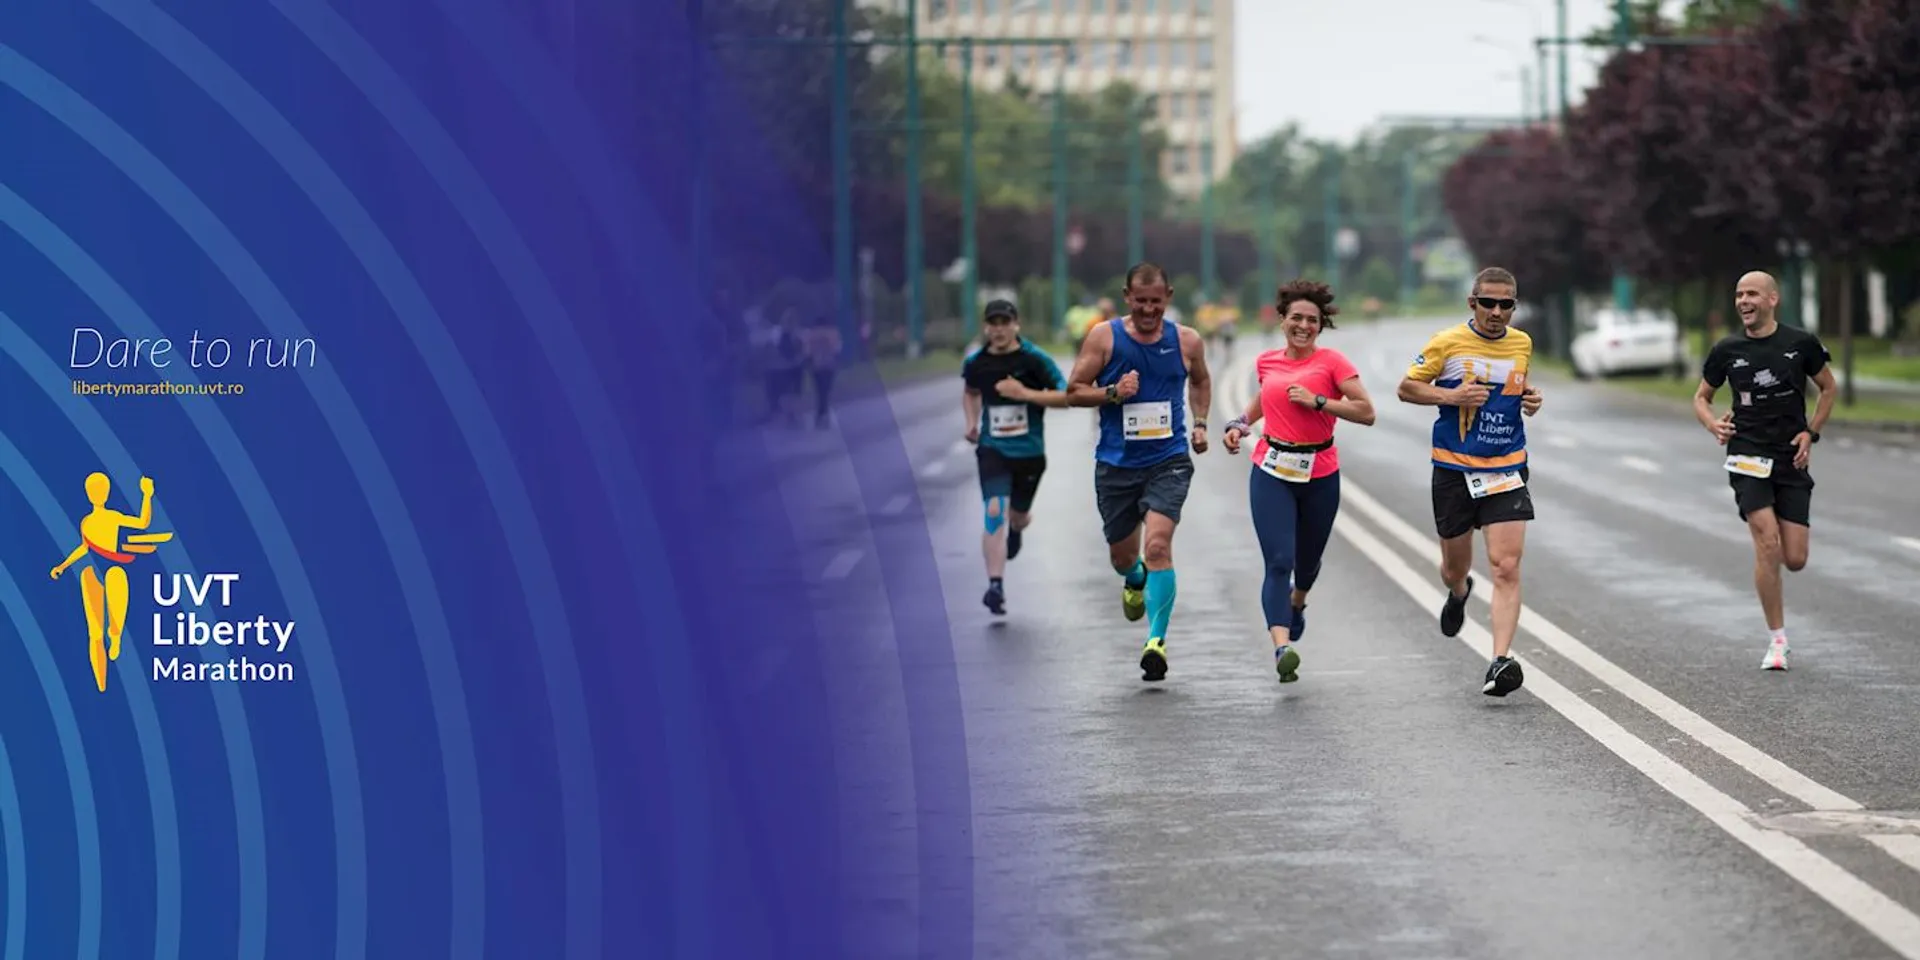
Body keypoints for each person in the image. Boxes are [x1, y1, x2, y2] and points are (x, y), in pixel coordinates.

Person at [1397, 266, 1544, 697]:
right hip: (1454, 469)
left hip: (1506, 466)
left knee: (1506, 565)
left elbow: (1515, 388)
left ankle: (1500, 660)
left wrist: (1530, 398)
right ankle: (1459, 591)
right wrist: (1450, 396)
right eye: (1488, 303)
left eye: (1506, 305)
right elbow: (1407, 388)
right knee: (1453, 566)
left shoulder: (1522, 343)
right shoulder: (1447, 343)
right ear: (1472, 303)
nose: (1497, 312)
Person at [1064, 262, 1212, 682]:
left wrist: (1200, 423)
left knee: (1159, 546)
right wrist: (1113, 393)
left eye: (1156, 301)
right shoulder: (1103, 337)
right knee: (1124, 556)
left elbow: (1200, 381)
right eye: (1141, 301)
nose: (1149, 309)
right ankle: (1133, 579)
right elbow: (1073, 391)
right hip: (1116, 465)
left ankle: (1156, 643)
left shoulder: (1186, 340)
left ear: (1167, 296)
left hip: (1168, 461)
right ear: (1128, 296)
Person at [1223, 280, 1376, 683]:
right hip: (1272, 468)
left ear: (1320, 325)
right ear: (1283, 321)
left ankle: (1299, 601)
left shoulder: (1333, 363)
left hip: (1320, 472)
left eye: (1311, 320)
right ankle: (1281, 648)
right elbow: (1264, 397)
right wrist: (1240, 424)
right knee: (1278, 561)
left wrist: (1319, 401)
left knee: (1306, 563)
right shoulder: (1267, 361)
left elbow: (1366, 411)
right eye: (1296, 318)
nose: (1303, 325)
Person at [1693, 270, 1837, 671]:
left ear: (1772, 299)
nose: (1743, 301)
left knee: (1795, 558)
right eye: (1739, 294)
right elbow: (1702, 398)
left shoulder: (1800, 343)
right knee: (1767, 541)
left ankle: (1777, 618)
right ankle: (1778, 640)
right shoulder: (1726, 349)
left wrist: (1812, 432)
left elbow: (1828, 386)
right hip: (1747, 454)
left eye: (1752, 293)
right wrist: (1712, 424)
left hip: (1791, 456)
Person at [961, 300, 1069, 616]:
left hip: (1030, 454)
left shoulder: (1034, 360)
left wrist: (1025, 394)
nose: (998, 329)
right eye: (993, 323)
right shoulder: (977, 363)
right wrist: (970, 422)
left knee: (1017, 516)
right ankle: (995, 586)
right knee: (994, 510)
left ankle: (1018, 529)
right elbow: (970, 391)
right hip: (993, 449)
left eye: (1004, 322)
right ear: (986, 327)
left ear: (1016, 325)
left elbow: (1066, 395)